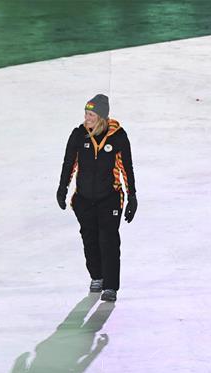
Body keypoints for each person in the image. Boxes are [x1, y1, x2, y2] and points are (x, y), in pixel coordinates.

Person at [57, 94, 136, 302]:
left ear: (101, 116)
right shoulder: (78, 135)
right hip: (84, 199)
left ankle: (110, 286)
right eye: (85, 113)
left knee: (108, 240)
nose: (87, 117)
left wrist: (132, 197)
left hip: (109, 198)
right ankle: (97, 276)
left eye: (91, 114)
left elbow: (126, 168)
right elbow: (69, 164)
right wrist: (62, 188)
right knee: (89, 239)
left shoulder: (118, 137)